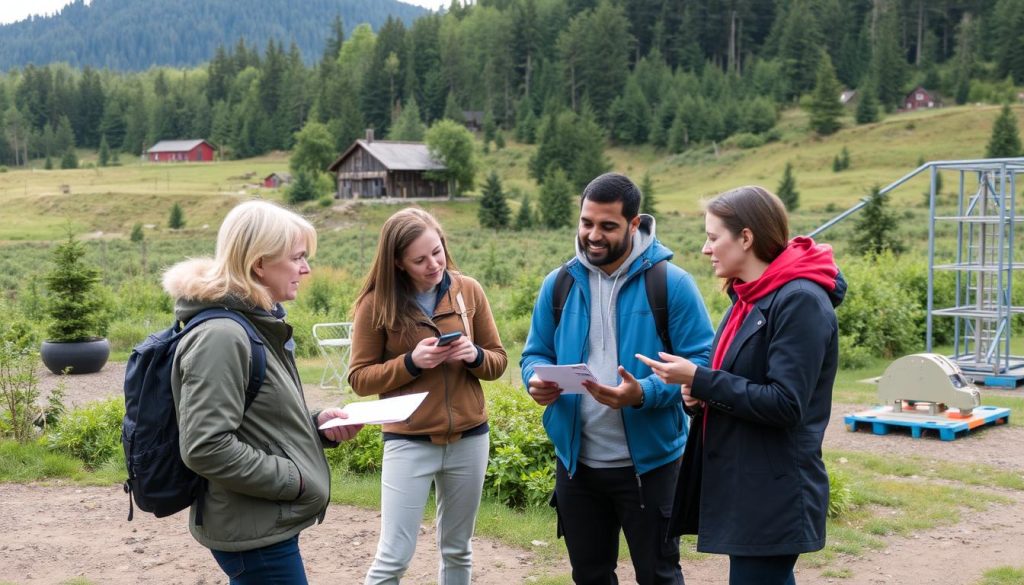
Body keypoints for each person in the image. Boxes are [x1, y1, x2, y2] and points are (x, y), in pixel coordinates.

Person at [636, 185, 846, 585]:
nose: (705, 248)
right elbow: (736, 382)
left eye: (714, 237)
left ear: (746, 238)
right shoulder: (748, 298)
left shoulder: (799, 300)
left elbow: (786, 403)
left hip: (774, 492)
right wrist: (694, 396)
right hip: (748, 487)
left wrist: (699, 378)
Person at [520, 172, 715, 585]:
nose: (593, 235)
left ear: (634, 223)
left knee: (659, 575)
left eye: (607, 226)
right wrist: (535, 381)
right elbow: (535, 353)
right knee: (589, 575)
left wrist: (643, 393)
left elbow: (702, 360)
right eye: (586, 222)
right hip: (577, 467)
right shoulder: (558, 284)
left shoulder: (671, 284)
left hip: (652, 467)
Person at [163, 200, 363, 584]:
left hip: (259, 517)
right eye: (297, 257)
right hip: (252, 528)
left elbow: (254, 414)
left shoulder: (252, 325)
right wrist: (295, 480)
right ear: (259, 264)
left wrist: (315, 423)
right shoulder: (223, 336)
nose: (306, 269)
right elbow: (206, 446)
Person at [348, 207, 508, 585]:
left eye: (436, 251)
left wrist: (474, 356)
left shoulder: (468, 291)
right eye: (419, 259)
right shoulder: (376, 304)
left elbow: (499, 362)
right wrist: (411, 362)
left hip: (470, 437)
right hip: (408, 441)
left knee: (457, 550)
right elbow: (359, 379)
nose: (433, 264)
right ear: (398, 263)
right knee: (393, 558)